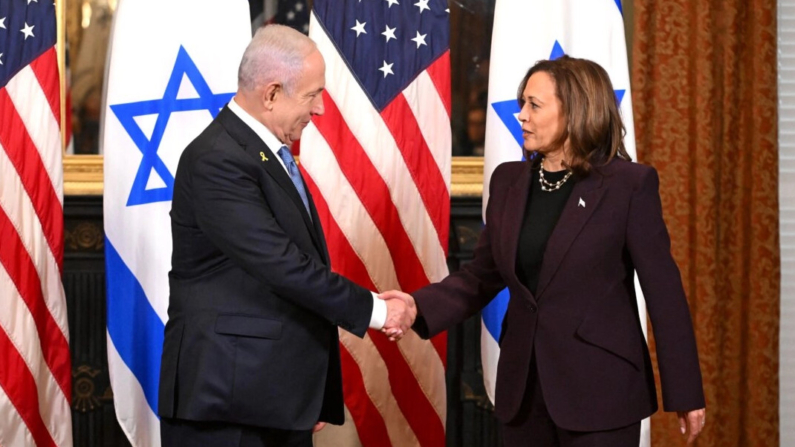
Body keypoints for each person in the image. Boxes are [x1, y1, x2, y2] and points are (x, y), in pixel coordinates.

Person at [382, 56, 706, 446]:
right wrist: (417, 306)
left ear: (575, 110)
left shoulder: (627, 185)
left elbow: (663, 292)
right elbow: (480, 276)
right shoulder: (508, 182)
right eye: (522, 104)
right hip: (524, 393)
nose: (520, 115)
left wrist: (685, 392)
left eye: (534, 105)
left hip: (601, 395)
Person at [158, 25, 414, 447]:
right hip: (227, 402)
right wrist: (379, 312)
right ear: (272, 93)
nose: (320, 110)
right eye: (312, 95)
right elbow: (283, 266)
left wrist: (306, 389)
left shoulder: (263, 154)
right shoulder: (217, 159)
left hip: (273, 395)